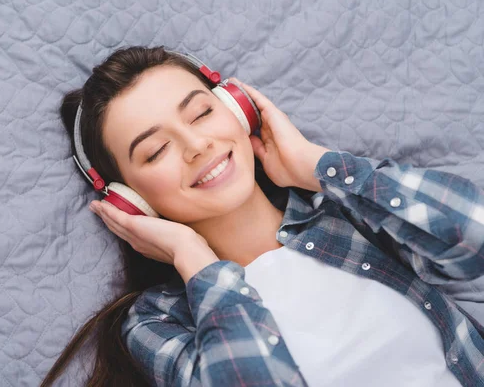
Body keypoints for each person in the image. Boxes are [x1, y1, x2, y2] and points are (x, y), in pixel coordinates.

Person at [41, 46, 484, 387]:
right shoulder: (157, 320)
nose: (197, 146)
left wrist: (314, 164)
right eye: (156, 151)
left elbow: (472, 234)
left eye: (201, 113)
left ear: (239, 110)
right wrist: (194, 258)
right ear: (127, 201)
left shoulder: (345, 213)